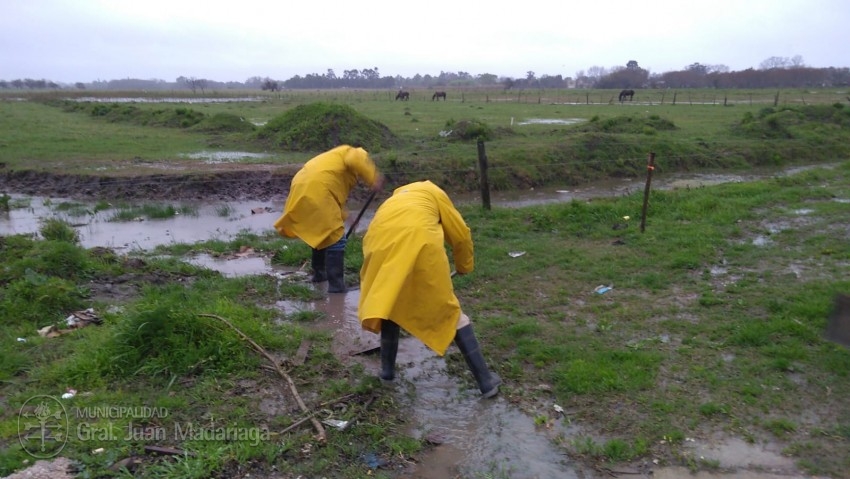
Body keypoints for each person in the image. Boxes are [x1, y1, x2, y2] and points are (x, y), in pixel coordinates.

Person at [357, 180, 501, 398]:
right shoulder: (433, 192)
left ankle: (387, 373)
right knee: (452, 314)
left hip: (377, 248)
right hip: (419, 244)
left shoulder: (392, 200)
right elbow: (460, 234)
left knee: (390, 303)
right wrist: (464, 266)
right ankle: (486, 382)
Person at [273, 145, 384, 293]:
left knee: (320, 232)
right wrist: (374, 179)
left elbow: (333, 199)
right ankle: (337, 286)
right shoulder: (353, 153)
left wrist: (348, 218)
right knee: (336, 237)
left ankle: (319, 275)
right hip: (318, 189)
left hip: (301, 186)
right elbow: (354, 159)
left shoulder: (332, 163)